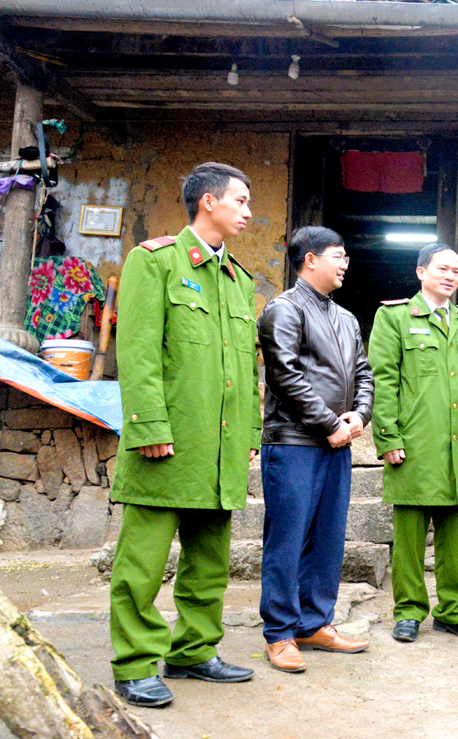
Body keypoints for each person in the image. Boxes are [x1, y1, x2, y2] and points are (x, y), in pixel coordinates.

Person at [109, 162, 260, 707]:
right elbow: (139, 352)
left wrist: (249, 433)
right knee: (143, 563)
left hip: (217, 446)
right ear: (208, 204)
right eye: (239, 201)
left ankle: (195, 650)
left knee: (210, 560)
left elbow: (246, 367)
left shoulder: (239, 280)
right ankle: (134, 663)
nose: (248, 211)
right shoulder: (156, 262)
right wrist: (148, 425)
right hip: (166, 443)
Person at [256, 226, 373, 673]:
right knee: (287, 538)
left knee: (327, 538)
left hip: (336, 442)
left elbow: (364, 374)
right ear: (310, 260)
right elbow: (284, 376)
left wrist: (358, 416)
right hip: (294, 441)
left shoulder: (344, 318)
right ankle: (280, 632)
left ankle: (314, 622)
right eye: (338, 256)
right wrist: (328, 423)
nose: (345, 264)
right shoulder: (283, 310)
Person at [370, 243, 458, 644]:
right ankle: (408, 612)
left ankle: (454, 612)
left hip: (457, 446)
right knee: (408, 537)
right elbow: (384, 380)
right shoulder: (394, 317)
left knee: (455, 536)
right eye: (442, 269)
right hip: (414, 443)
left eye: (456, 271)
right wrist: (388, 435)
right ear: (421, 272)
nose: (450, 276)